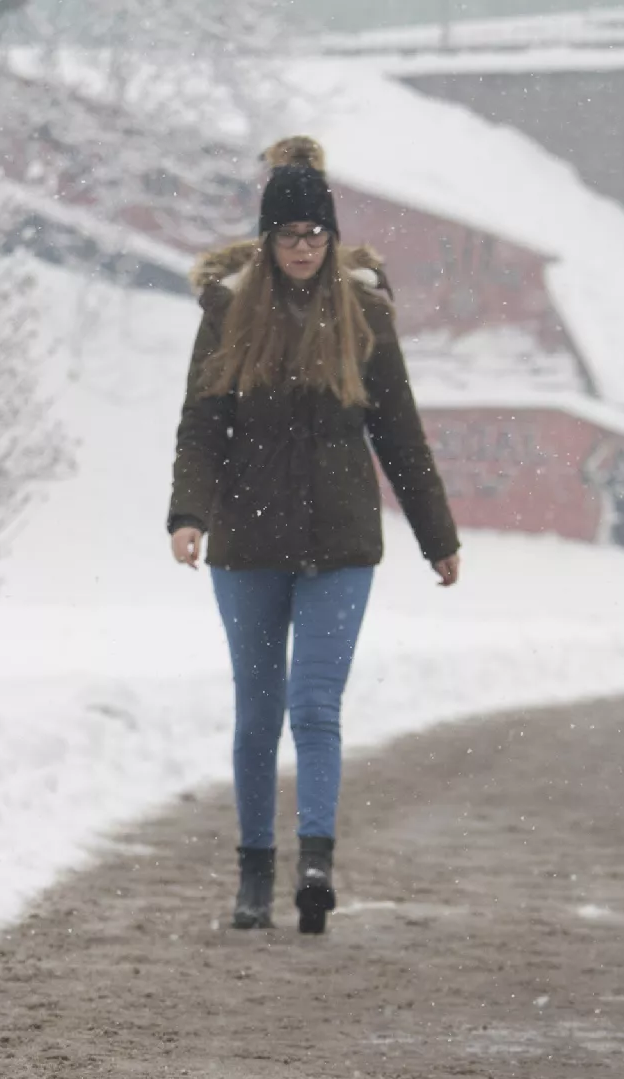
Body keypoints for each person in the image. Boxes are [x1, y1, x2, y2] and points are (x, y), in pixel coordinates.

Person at [168, 135, 461, 935]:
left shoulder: (364, 314)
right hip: (247, 543)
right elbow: (202, 426)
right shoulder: (229, 313)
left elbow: (399, 434)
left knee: (316, 706)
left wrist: (436, 535)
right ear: (267, 240)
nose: (303, 248)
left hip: (340, 543)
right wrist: (189, 515)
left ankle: (316, 866)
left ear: (331, 238)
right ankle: (254, 871)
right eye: (289, 235)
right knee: (257, 714)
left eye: (315, 234)